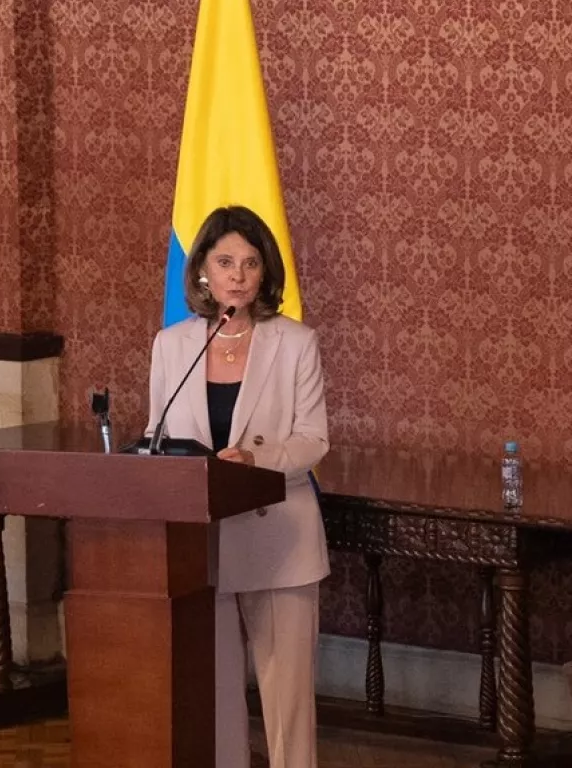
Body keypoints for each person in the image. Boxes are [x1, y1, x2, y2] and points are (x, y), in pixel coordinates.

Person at [144, 205, 329, 768]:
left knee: (288, 709)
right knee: (216, 701)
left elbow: (312, 440)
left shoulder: (295, 342)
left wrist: (254, 460)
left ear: (264, 272)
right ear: (201, 269)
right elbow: (157, 435)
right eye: (225, 261)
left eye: (250, 263)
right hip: (204, 546)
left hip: (280, 543)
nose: (238, 274)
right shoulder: (173, 345)